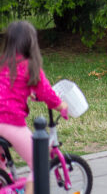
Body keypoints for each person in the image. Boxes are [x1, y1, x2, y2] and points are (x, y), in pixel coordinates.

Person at [0, 21, 68, 193]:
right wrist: (61, 106)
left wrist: (26, 92)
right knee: (40, 161)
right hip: (9, 122)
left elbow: (8, 86)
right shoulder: (30, 66)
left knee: (2, 167)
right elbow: (46, 93)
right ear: (31, 42)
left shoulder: (3, 63)